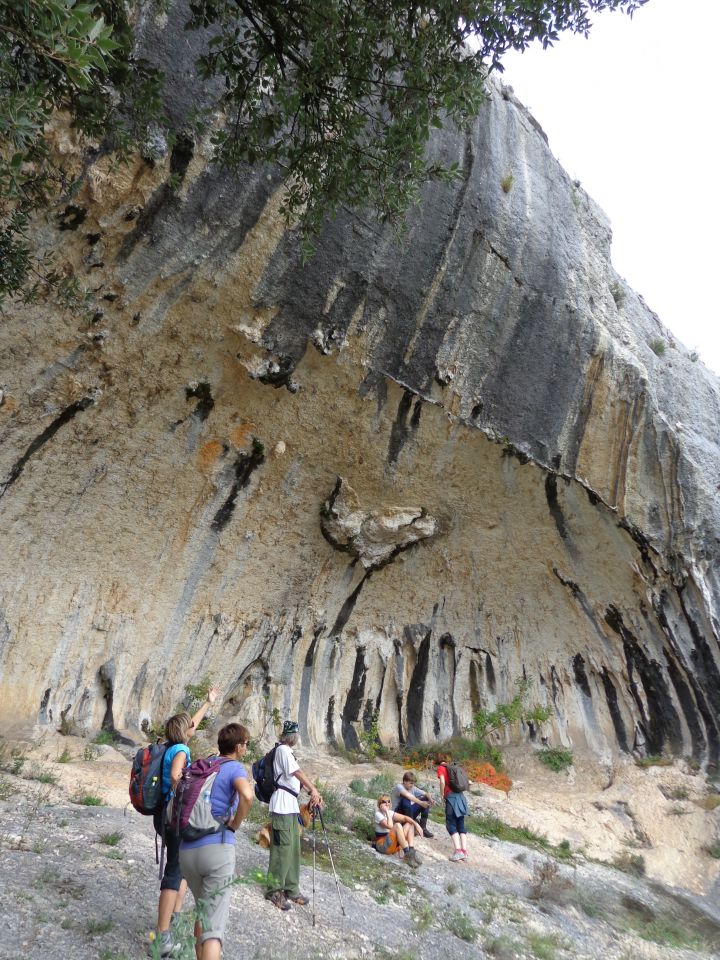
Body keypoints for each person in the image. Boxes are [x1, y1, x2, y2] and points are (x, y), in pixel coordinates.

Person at [152, 687, 219, 958]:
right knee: (173, 872)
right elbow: (177, 775)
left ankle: (174, 919)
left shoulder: (171, 744)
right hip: (173, 815)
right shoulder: (180, 750)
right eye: (189, 726)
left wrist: (208, 702)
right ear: (184, 732)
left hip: (167, 815)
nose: (193, 727)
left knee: (181, 869)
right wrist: (193, 781)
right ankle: (161, 938)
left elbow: (193, 723)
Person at [178, 722, 253, 960]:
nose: (246, 748)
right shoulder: (234, 768)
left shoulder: (206, 765)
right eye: (246, 744)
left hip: (187, 851)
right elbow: (247, 795)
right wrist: (235, 825)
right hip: (216, 850)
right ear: (239, 747)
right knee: (213, 931)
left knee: (203, 912)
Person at [265, 720, 323, 911]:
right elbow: (296, 772)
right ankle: (274, 890)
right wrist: (313, 789)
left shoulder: (287, 752)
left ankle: (291, 888)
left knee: (293, 848)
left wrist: (310, 793)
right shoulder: (283, 750)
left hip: (290, 806)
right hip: (282, 806)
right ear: (294, 736)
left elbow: (292, 779)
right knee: (282, 849)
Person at [374, 794, 422, 866]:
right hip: (383, 845)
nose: (387, 803)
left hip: (391, 844)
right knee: (397, 825)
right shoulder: (378, 814)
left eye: (388, 801)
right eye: (384, 802)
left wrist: (416, 824)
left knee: (410, 823)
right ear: (380, 804)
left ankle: (411, 850)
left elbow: (405, 818)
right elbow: (390, 826)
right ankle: (407, 854)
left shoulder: (390, 813)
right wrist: (387, 812)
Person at [437, 755, 468, 862]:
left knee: (450, 824)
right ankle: (464, 852)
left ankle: (458, 851)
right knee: (461, 824)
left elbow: (442, 781)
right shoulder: (452, 767)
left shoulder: (441, 768)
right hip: (461, 797)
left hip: (451, 798)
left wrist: (441, 795)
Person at [391, 771, 435, 838]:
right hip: (398, 814)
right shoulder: (399, 787)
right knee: (406, 799)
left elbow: (426, 793)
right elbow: (408, 796)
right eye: (411, 783)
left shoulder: (413, 788)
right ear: (405, 781)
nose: (412, 785)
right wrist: (421, 803)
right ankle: (410, 824)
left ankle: (423, 828)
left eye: (413, 783)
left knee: (425, 798)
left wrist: (430, 799)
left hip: (408, 812)